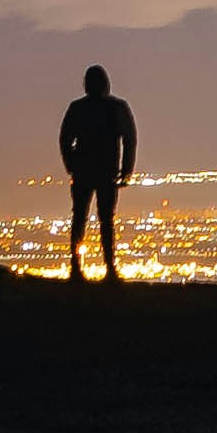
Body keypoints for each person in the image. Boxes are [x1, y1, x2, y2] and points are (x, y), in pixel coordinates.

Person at [61, 63, 137, 280]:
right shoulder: (117, 107)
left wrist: (71, 165)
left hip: (84, 171)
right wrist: (126, 170)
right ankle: (109, 268)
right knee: (106, 221)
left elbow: (65, 139)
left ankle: (77, 268)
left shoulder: (77, 108)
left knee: (79, 219)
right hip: (106, 171)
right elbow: (130, 140)